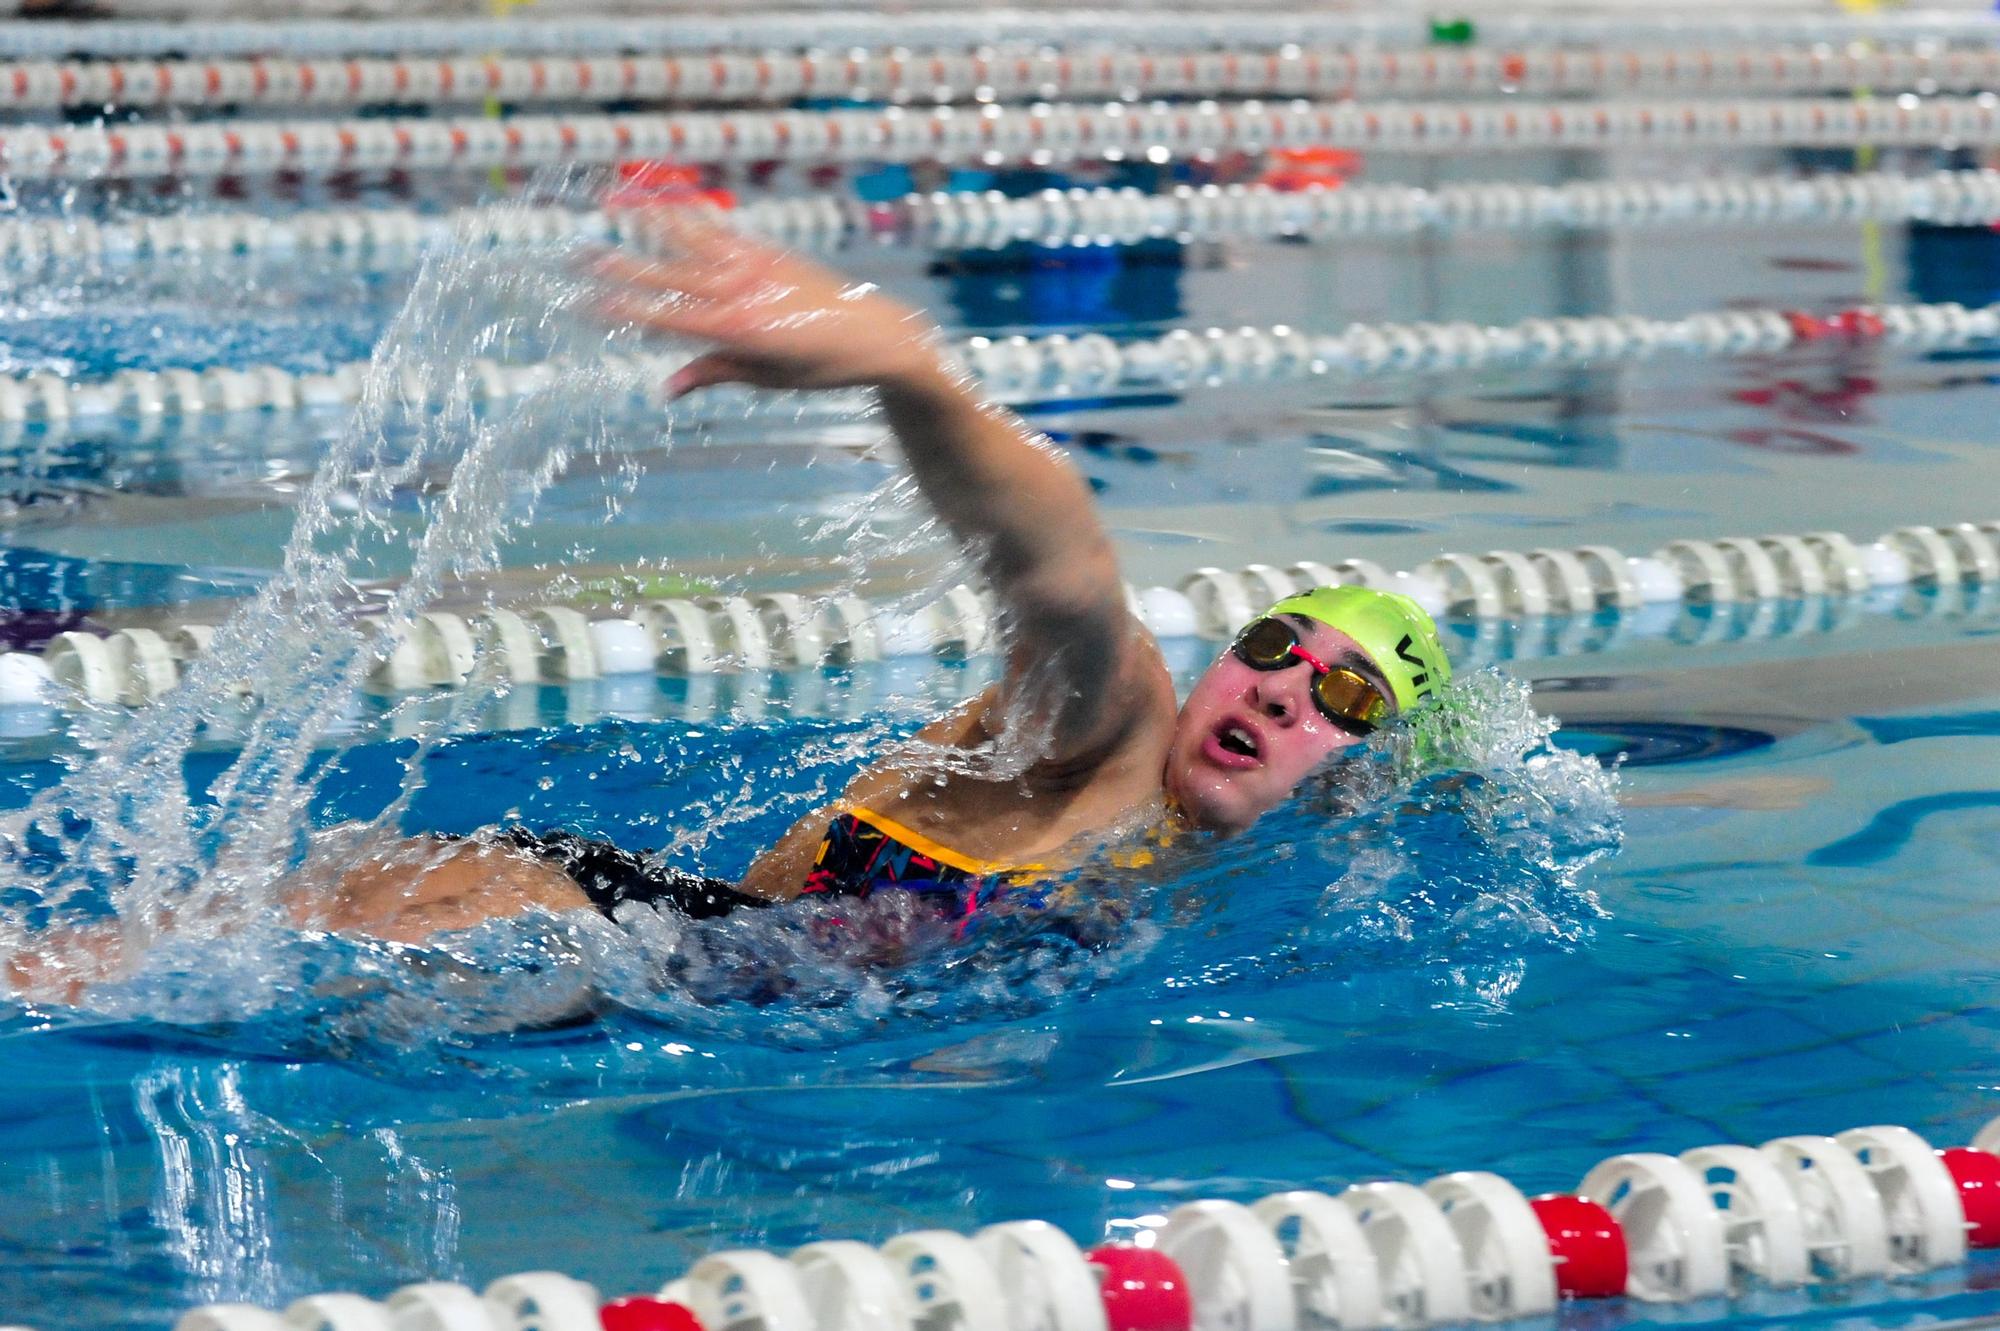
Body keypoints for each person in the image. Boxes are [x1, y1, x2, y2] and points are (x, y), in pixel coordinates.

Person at [4, 212, 1451, 1002]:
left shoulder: (1226, 896)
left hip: (631, 946)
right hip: (598, 922)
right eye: (1276, 649)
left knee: (107, 966)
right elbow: (1060, 577)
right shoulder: (1114, 730)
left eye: (1345, 699)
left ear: (1367, 773)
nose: (1280, 689)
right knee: (90, 983)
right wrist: (913, 379)